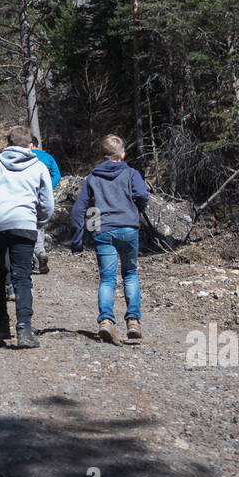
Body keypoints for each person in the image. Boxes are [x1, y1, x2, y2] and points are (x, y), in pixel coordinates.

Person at [0, 125, 53, 348]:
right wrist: (38, 221)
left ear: (8, 143)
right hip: (25, 223)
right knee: (23, 276)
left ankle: (1, 324)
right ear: (30, 145)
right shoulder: (39, 166)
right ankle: (24, 328)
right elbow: (47, 202)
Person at [69, 134, 150, 344]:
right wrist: (136, 210)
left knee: (107, 278)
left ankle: (106, 320)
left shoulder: (92, 178)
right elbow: (142, 195)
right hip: (129, 228)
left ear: (100, 155)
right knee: (130, 273)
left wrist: (77, 242)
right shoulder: (131, 173)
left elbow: (79, 210)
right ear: (122, 155)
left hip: (102, 230)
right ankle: (133, 321)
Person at [28, 134, 61, 274]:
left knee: (25, 227)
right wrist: (48, 188)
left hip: (26, 196)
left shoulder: (24, 156)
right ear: (37, 145)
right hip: (42, 196)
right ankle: (40, 254)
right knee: (39, 227)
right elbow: (57, 175)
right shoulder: (48, 157)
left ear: (29, 145)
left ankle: (35, 259)